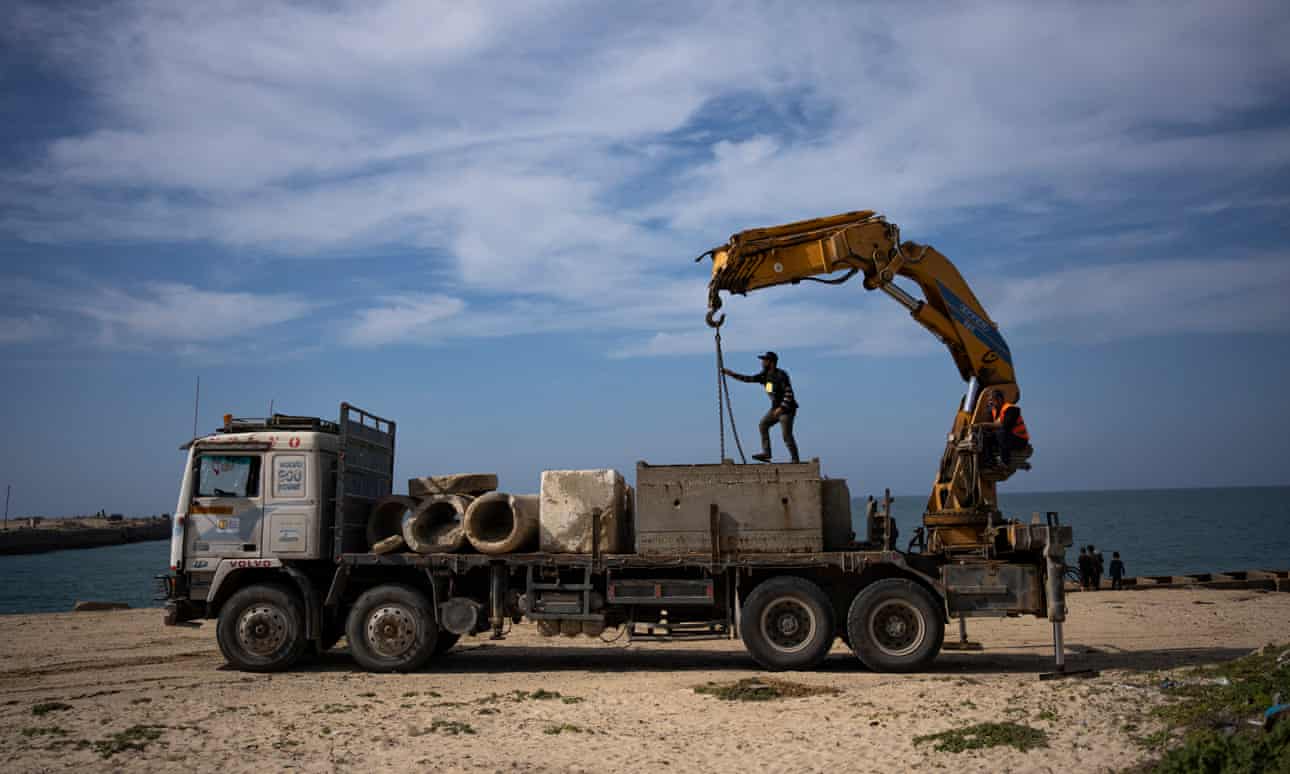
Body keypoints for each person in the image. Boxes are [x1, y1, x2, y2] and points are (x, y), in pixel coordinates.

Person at [722, 351, 800, 463]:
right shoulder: (764, 376)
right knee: (763, 425)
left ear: (771, 362)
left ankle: (795, 459)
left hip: (787, 409)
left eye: (765, 360)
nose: (762, 362)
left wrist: (781, 408)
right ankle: (767, 453)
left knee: (786, 435)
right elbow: (748, 379)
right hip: (775, 409)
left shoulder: (781, 375)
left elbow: (789, 394)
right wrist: (731, 374)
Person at [981, 388, 1030, 467]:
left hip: (1020, 439)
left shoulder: (1011, 409)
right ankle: (990, 462)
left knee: (1001, 432)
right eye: (989, 400)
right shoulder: (994, 411)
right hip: (1007, 438)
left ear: (999, 399)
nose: (990, 403)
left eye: (991, 400)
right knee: (986, 436)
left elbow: (1005, 425)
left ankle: (1005, 461)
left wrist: (984, 424)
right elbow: (990, 426)